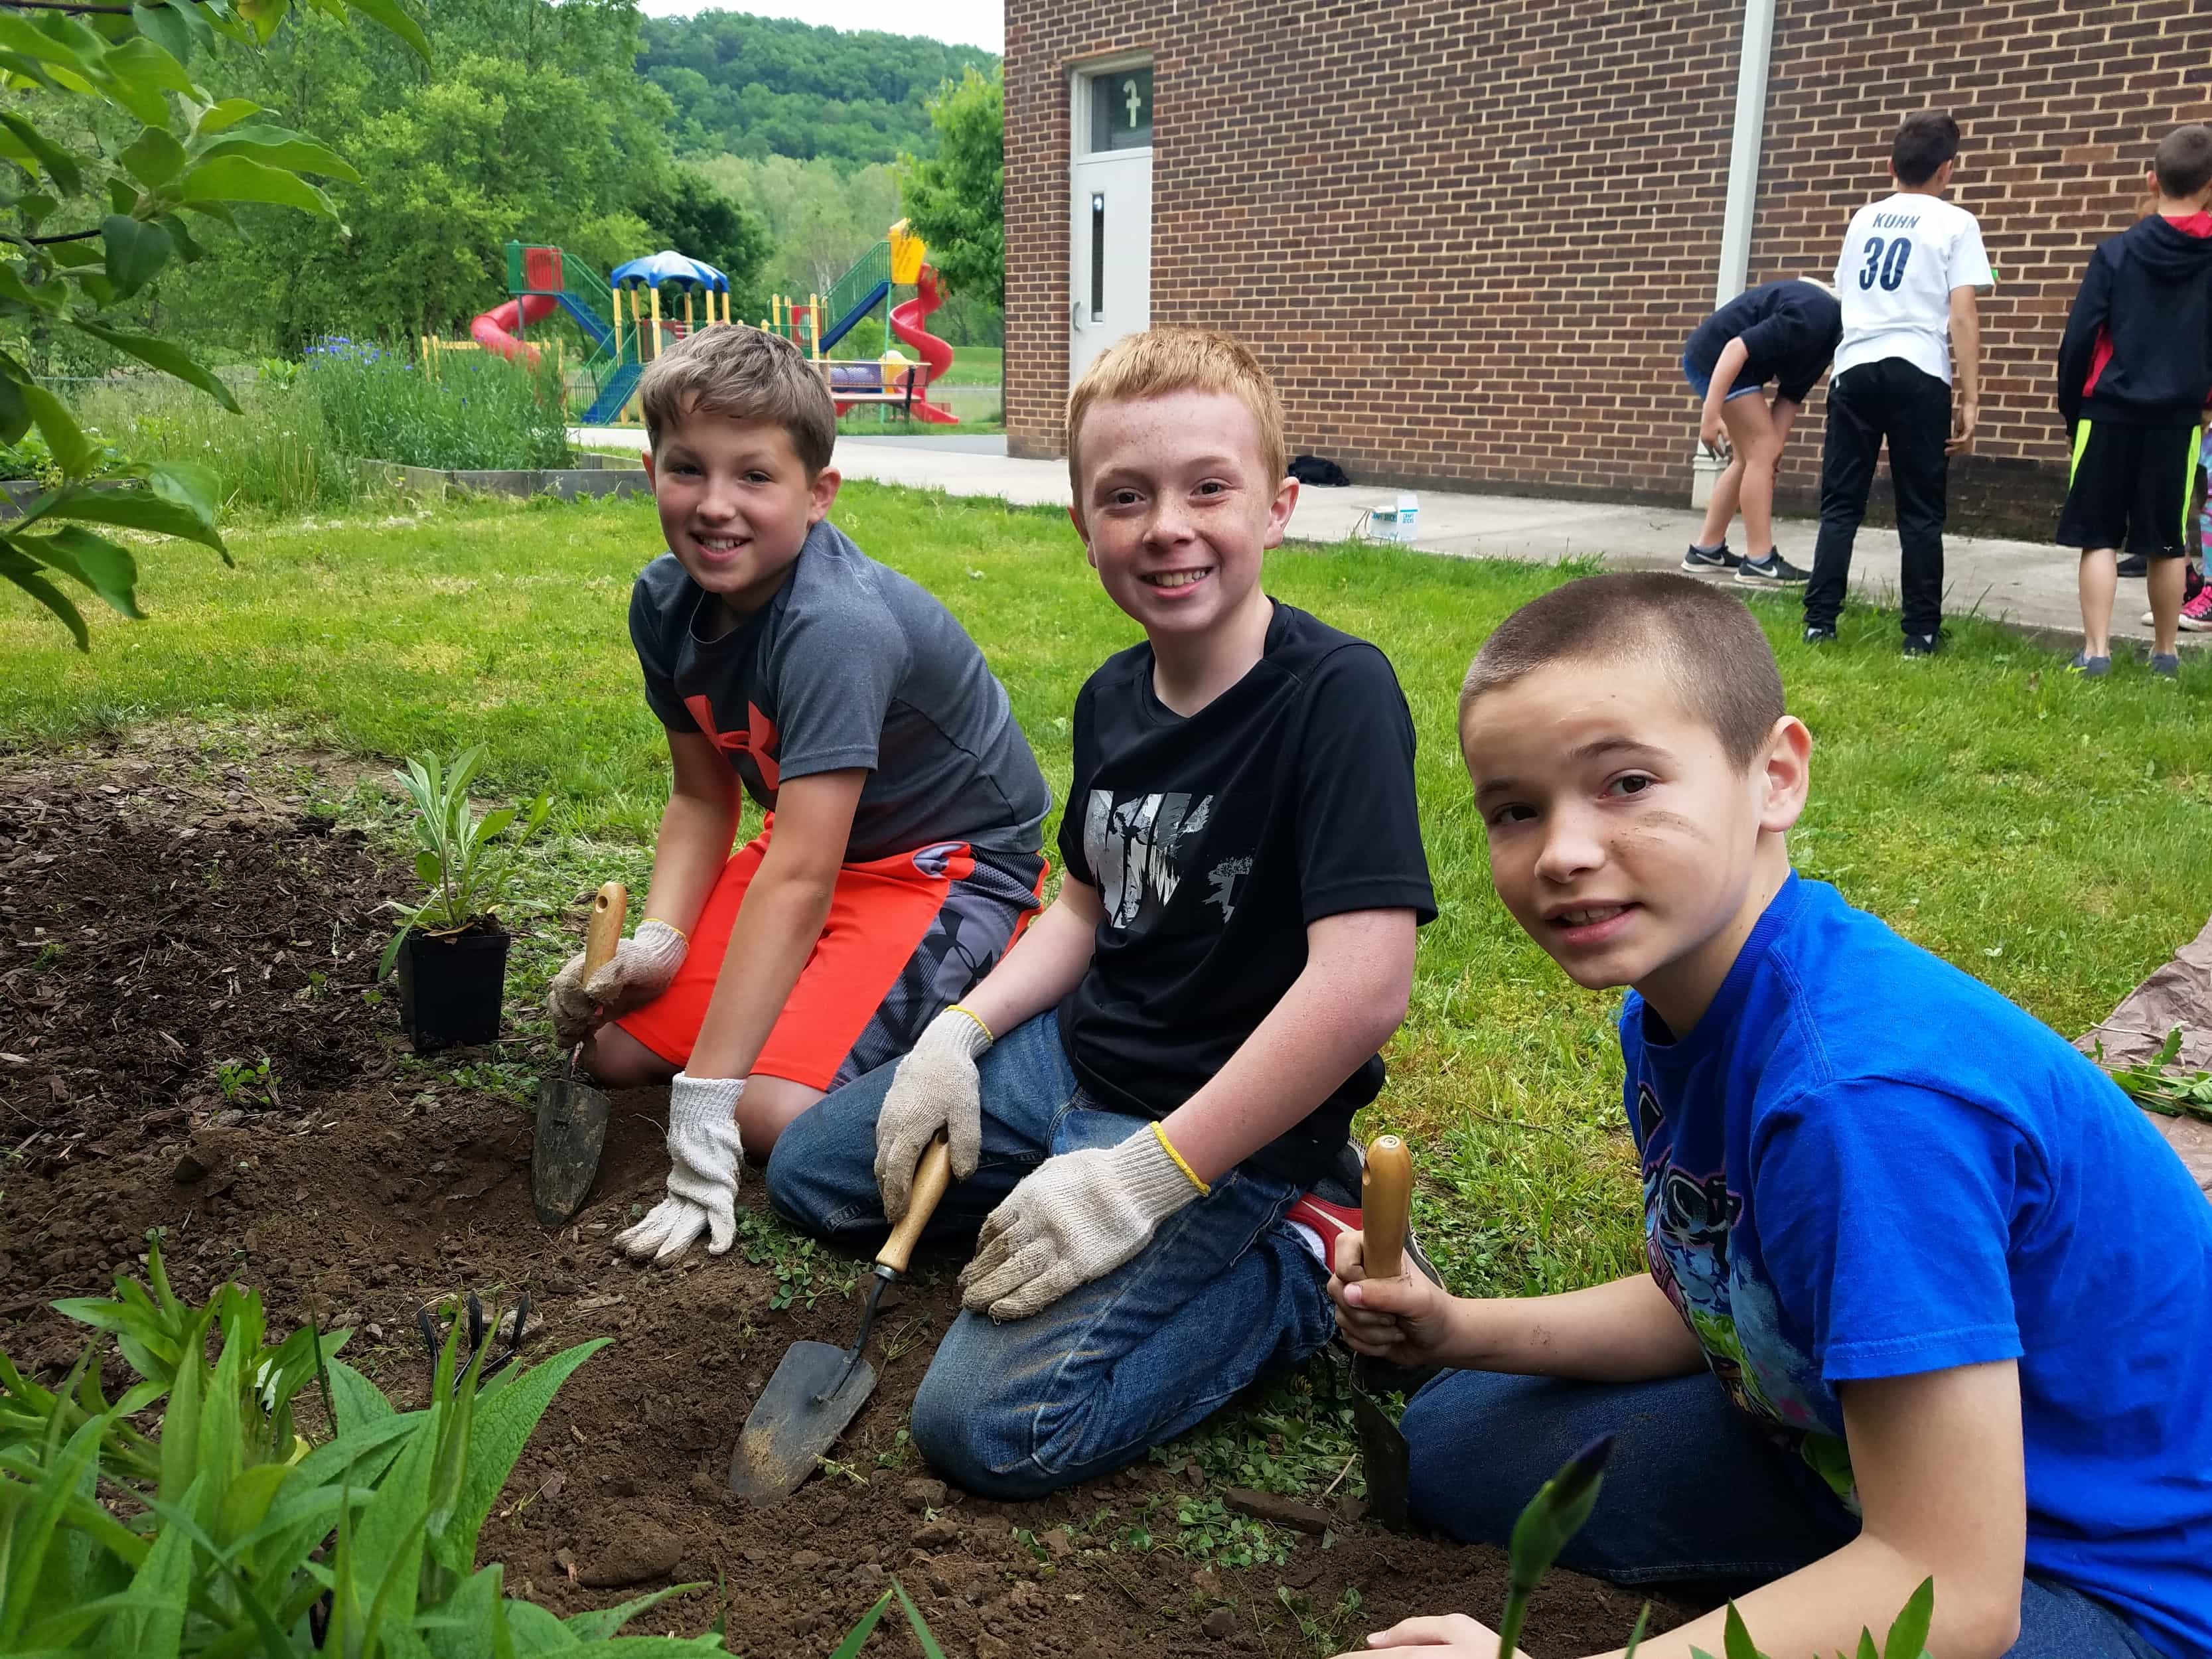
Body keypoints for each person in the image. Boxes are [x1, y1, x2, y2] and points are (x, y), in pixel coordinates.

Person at [1327, 571, 2212, 1659]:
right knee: (1458, 1440)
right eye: (1515, 809)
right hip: (1859, 1455)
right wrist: (1461, 1329)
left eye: (1624, 782)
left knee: (1906, 1591)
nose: (1558, 851)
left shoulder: (1859, 1102)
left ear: (1774, 775)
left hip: (2093, 1578)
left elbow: (1956, 1594)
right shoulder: (1679, 1005)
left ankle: (1839, 1585)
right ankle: (1833, 1579)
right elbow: (1735, 1300)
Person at [765, 328, 1436, 1498]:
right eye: (1124, 497)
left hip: (1220, 1120)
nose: (1165, 526)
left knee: (984, 1428)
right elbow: (1083, 908)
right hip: (1068, 1067)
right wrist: (959, 1035)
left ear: (1275, 508)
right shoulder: (1112, 695)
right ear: (1084, 526)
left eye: (1205, 489)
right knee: (817, 1175)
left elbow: (1364, 986)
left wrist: (1145, 1179)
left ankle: (1287, 1265)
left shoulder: (1336, 696)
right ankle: (1062, 1194)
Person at [546, 325, 1051, 1264]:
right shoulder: (664, 604)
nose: (714, 506)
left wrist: (705, 1101)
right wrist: (660, 941)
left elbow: (800, 878)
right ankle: (813, 1007)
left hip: (943, 868)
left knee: (771, 1115)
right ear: (651, 467)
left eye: (754, 477)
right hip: (813, 849)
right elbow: (704, 801)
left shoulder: (835, 625)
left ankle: (1007, 982)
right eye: (686, 469)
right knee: (615, 1054)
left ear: (817, 494)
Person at [1803, 112, 1992, 655]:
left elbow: (1845, 292)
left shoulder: (1863, 218)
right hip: (1917, 368)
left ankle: (1819, 621)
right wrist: (1971, 397)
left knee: (1841, 503)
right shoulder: (1956, 223)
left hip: (1855, 367)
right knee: (1920, 509)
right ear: (1946, 170)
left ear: (1891, 166)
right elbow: (1962, 315)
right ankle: (1920, 632)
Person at [2057, 123, 2212, 680]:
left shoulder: (2116, 253)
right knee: (2166, 540)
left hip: (2108, 408)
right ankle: (2164, 654)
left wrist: (2072, 407)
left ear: (2151, 180)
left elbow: (2079, 338)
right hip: (2178, 415)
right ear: (2209, 188)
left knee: (2097, 534)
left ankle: (2096, 651)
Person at [1678, 277, 1842, 587]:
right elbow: (1734, 349)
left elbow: (1789, 398)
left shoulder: (1825, 343)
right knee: (1759, 452)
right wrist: (1710, 414)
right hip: (1713, 358)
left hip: (1735, 368)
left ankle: (1706, 550)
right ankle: (1759, 561)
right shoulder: (1814, 316)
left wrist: (1771, 459)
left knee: (1754, 456)